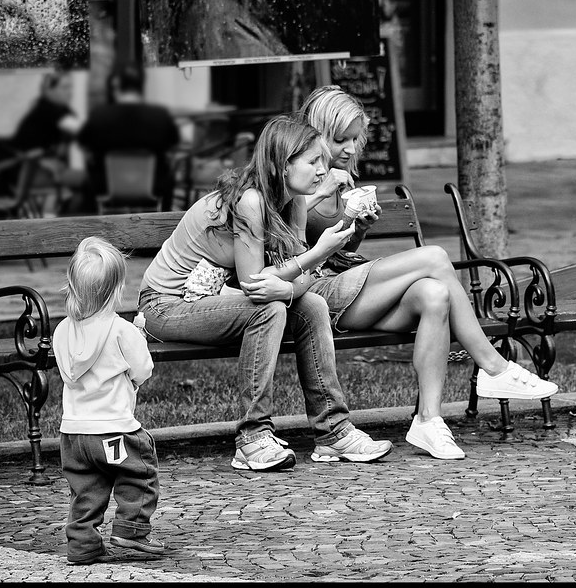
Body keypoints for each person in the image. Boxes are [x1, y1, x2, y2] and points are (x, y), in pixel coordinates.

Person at [298, 85, 559, 461]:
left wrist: (358, 229)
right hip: (311, 293)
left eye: (356, 140)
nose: (352, 149)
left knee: (435, 295)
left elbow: (335, 247)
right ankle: (493, 366)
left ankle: (428, 421)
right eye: (341, 140)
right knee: (435, 257)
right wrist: (320, 193)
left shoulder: (337, 176)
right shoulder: (297, 171)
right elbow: (284, 234)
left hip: (342, 285)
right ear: (319, 132)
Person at [137, 114, 392, 472]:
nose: (324, 170)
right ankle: (252, 438)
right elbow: (256, 283)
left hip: (213, 300)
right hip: (166, 306)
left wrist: (291, 280)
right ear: (283, 165)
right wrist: (317, 254)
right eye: (313, 162)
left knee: (313, 305)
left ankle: (333, 431)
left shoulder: (295, 199)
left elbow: (302, 279)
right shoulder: (250, 201)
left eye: (322, 161)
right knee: (269, 309)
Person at [53, 236, 166, 565]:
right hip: (114, 429)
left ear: (72, 287)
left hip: (74, 434)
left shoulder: (62, 331)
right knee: (139, 472)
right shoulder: (121, 330)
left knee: (86, 489)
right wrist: (139, 340)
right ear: (116, 290)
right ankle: (132, 530)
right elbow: (143, 370)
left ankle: (83, 544)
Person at [78, 62, 181, 211]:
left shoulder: (99, 115)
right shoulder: (160, 115)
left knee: (88, 178)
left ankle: (91, 222)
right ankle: (164, 219)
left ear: (116, 84)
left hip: (104, 185)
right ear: (142, 84)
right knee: (169, 176)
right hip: (154, 185)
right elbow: (174, 144)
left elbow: (83, 143)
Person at [0, 68, 85, 211]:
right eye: (65, 87)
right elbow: (83, 132)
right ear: (49, 90)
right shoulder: (49, 110)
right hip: (30, 174)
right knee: (90, 181)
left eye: (71, 87)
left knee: (86, 185)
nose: (70, 92)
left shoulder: (54, 109)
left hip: (34, 171)